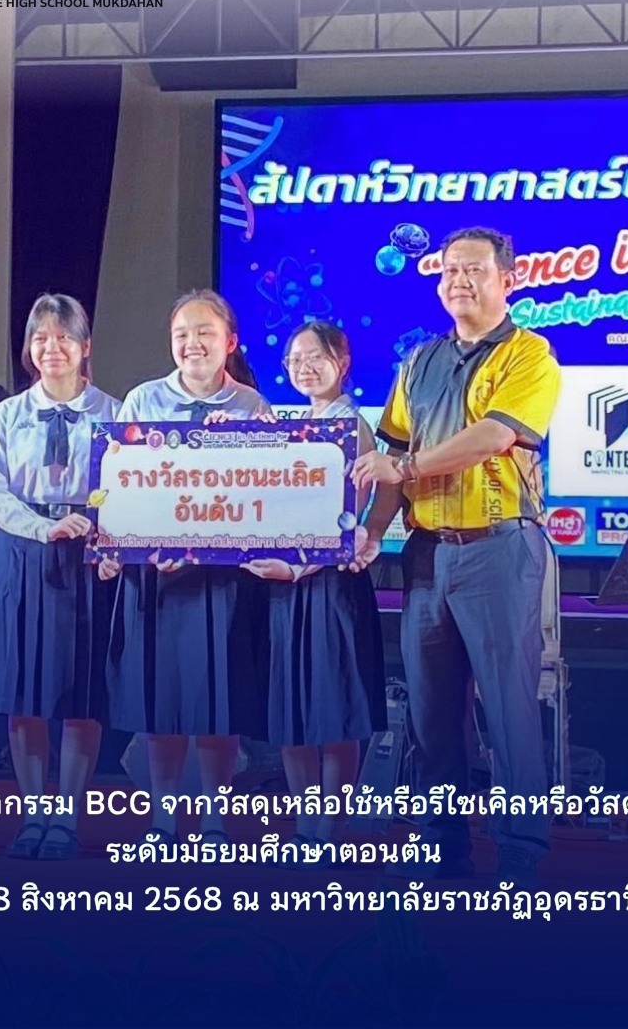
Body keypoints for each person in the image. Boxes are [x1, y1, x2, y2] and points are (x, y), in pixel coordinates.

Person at [352, 227, 561, 885]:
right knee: (431, 712)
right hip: (426, 554)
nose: (458, 281)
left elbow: (493, 436)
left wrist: (406, 467)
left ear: (508, 279)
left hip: (498, 547)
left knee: (507, 708)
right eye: (448, 271)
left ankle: (521, 846)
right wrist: (372, 530)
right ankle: (442, 843)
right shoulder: (419, 361)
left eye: (474, 270)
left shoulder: (530, 355)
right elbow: (390, 457)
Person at [106, 289, 270, 848]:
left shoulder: (251, 405)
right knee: (162, 702)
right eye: (181, 334)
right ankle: (162, 818)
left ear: (230, 342)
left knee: (219, 704)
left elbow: (266, 496)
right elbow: (117, 487)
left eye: (204, 333)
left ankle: (216, 820)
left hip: (223, 580)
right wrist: (139, 546)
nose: (192, 344)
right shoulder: (142, 400)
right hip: (157, 577)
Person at [0, 294, 121, 861]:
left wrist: (101, 529)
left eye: (63, 337)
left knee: (81, 693)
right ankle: (34, 813)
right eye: (40, 338)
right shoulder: (9, 414)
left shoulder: (114, 412)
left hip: (88, 556)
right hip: (20, 555)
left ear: (85, 346)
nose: (51, 348)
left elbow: (130, 486)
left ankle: (67, 816)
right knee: (23, 694)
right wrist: (41, 528)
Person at [243, 322, 387, 864]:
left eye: (315, 358)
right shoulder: (291, 425)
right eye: (295, 359)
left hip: (330, 584)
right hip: (284, 586)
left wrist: (300, 567)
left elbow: (350, 521)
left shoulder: (353, 427)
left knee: (335, 708)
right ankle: (306, 821)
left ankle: (331, 825)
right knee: (291, 707)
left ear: (341, 363)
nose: (304, 368)